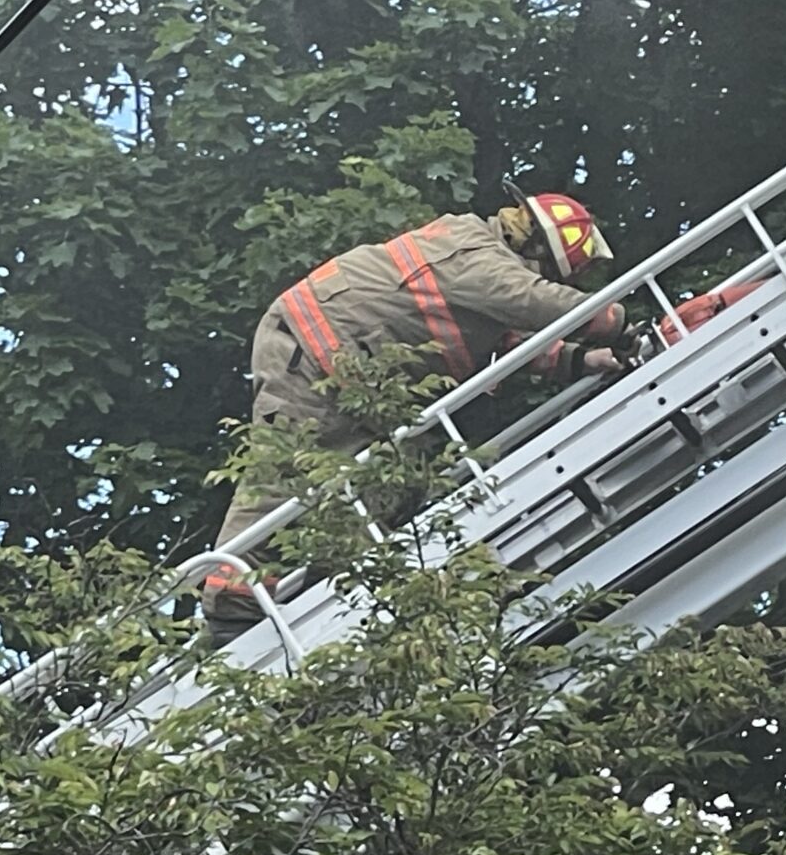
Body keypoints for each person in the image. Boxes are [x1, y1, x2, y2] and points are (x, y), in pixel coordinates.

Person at [201, 189, 629, 644]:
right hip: (308, 353)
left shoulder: (476, 261)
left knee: (393, 483)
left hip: (350, 373)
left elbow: (509, 344)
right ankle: (230, 605)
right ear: (540, 251)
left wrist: (586, 361)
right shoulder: (474, 254)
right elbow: (538, 303)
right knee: (288, 470)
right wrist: (617, 320)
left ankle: (325, 583)